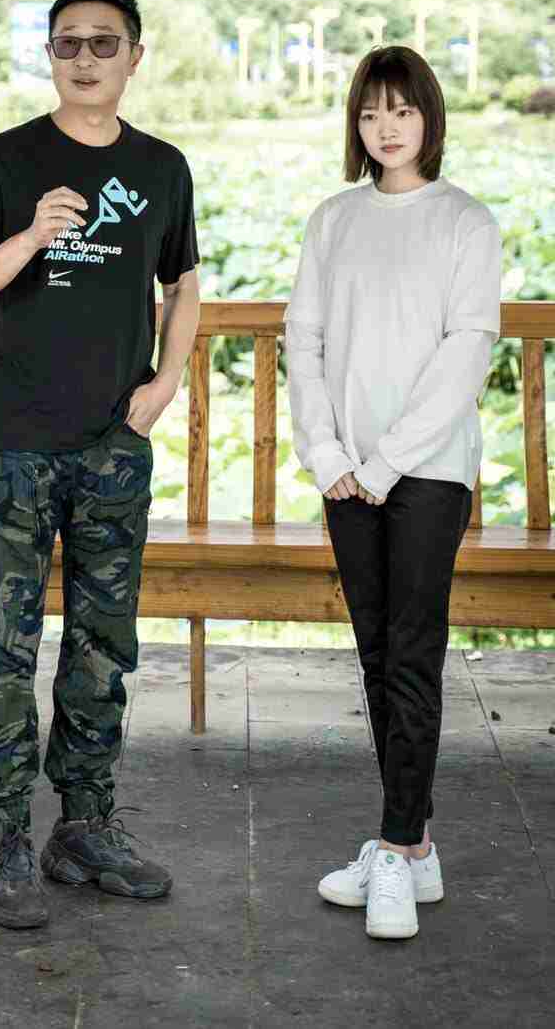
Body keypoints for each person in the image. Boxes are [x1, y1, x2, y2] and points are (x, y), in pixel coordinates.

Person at [0, 0, 201, 929]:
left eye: (103, 42)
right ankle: (7, 836)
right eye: (68, 43)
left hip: (112, 447)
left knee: (102, 643)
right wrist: (31, 236)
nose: (85, 58)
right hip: (17, 443)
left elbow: (184, 282)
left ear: (135, 56)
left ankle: (83, 825)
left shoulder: (162, 167)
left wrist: (165, 384)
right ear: (49, 55)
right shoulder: (6, 158)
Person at [286, 45, 500, 941]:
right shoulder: (334, 220)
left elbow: (466, 355)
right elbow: (304, 341)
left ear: (429, 118)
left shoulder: (465, 223)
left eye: (402, 110)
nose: (387, 127)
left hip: (428, 471)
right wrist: (327, 451)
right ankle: (413, 848)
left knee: (412, 653)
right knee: (376, 655)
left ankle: (397, 847)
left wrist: (383, 465)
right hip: (346, 469)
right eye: (371, 112)